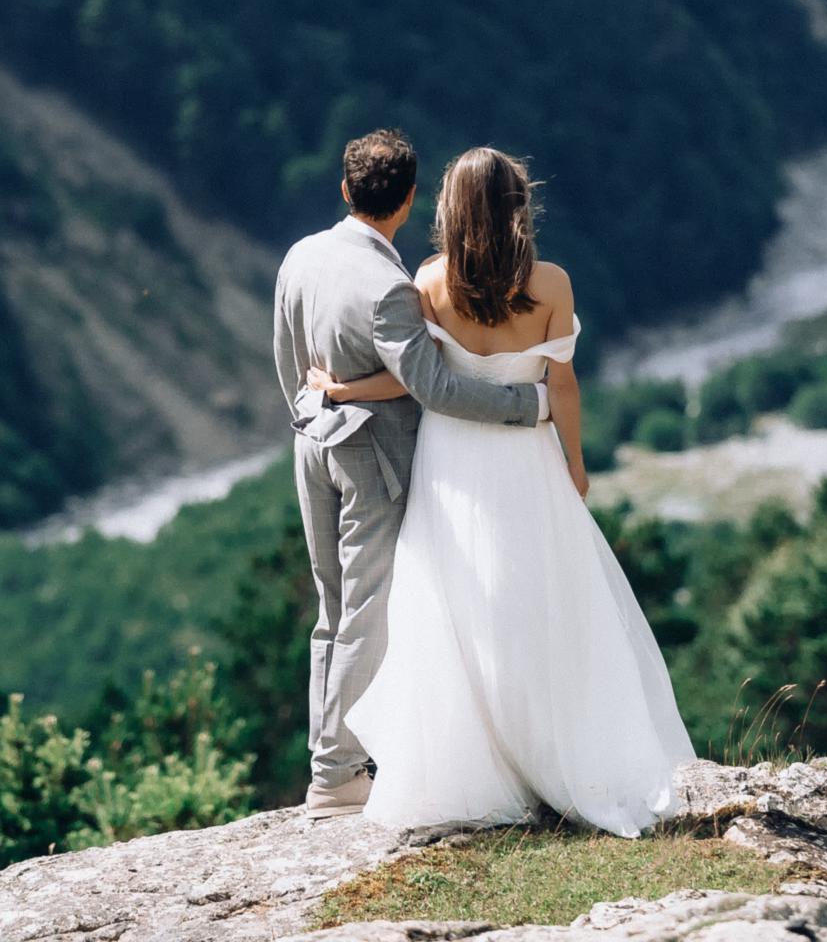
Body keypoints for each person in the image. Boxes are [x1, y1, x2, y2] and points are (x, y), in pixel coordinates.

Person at [315, 145, 695, 837]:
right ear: (519, 206)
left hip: (450, 462)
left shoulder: (427, 282)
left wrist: (342, 390)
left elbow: (414, 380)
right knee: (543, 604)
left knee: (459, 609)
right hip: (527, 457)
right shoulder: (551, 284)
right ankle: (555, 754)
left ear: (448, 211)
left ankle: (480, 771)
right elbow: (562, 386)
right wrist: (575, 464)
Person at [272, 129, 548, 819]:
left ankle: (329, 759)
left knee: (331, 610)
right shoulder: (390, 287)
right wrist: (528, 403)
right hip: (373, 460)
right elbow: (435, 387)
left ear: (344, 189)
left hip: (312, 444)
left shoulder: (301, 255)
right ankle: (337, 776)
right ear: (410, 200)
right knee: (366, 611)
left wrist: (315, 413)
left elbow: (284, 355)